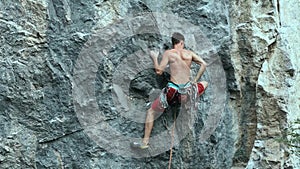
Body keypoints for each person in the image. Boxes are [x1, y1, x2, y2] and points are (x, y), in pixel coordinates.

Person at [132, 32, 208, 149]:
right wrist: (195, 80)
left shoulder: (169, 54)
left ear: (173, 43)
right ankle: (187, 102)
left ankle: (145, 143)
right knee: (205, 84)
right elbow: (204, 64)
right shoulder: (189, 54)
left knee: (151, 112)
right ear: (182, 42)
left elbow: (159, 71)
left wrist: (154, 58)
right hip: (187, 90)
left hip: (172, 92)